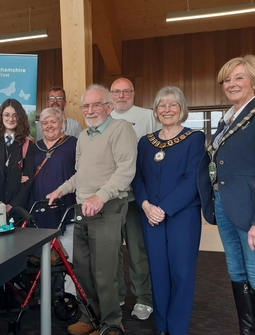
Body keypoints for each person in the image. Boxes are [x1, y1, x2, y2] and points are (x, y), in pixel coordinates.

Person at [47, 84, 137, 335]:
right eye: (86, 106)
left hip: (107, 206)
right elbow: (80, 175)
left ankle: (111, 323)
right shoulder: (85, 136)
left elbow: (125, 170)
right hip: (81, 208)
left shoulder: (121, 129)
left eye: (96, 104)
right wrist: (61, 190)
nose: (90, 110)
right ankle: (90, 316)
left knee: (104, 271)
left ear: (109, 107)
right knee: (83, 269)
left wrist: (100, 196)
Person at [133, 86, 204, 335]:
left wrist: (163, 209)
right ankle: (162, 325)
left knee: (182, 273)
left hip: (182, 216)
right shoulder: (145, 142)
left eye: (172, 105)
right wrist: (145, 205)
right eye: (162, 105)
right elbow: (138, 178)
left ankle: (177, 328)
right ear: (155, 110)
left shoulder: (194, 138)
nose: (167, 109)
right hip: (150, 215)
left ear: (181, 108)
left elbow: (193, 179)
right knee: (158, 272)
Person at [198, 55, 255, 335]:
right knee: (236, 270)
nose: (231, 84)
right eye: (227, 79)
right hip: (224, 202)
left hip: (249, 208)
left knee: (254, 270)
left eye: (239, 77)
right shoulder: (229, 118)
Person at [110, 77, 158, 320]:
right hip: (109, 197)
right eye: (116, 92)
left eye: (125, 92)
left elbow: (154, 152)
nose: (121, 96)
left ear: (134, 94)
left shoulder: (146, 115)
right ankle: (117, 294)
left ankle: (143, 298)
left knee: (137, 250)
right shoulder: (104, 116)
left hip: (135, 195)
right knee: (112, 250)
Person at [30, 106, 78, 296]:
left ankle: (70, 298)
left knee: (69, 257)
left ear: (62, 123)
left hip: (66, 208)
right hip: (39, 210)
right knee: (42, 258)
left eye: (53, 121)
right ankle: (45, 296)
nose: (49, 126)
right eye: (45, 123)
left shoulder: (73, 143)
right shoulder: (34, 148)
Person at [0, 98, 34, 215]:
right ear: (1, 116)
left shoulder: (27, 144)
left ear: (20, 117)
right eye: (7, 115)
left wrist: (13, 205)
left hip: (15, 209)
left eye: (15, 115)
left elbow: (28, 181)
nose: (11, 119)